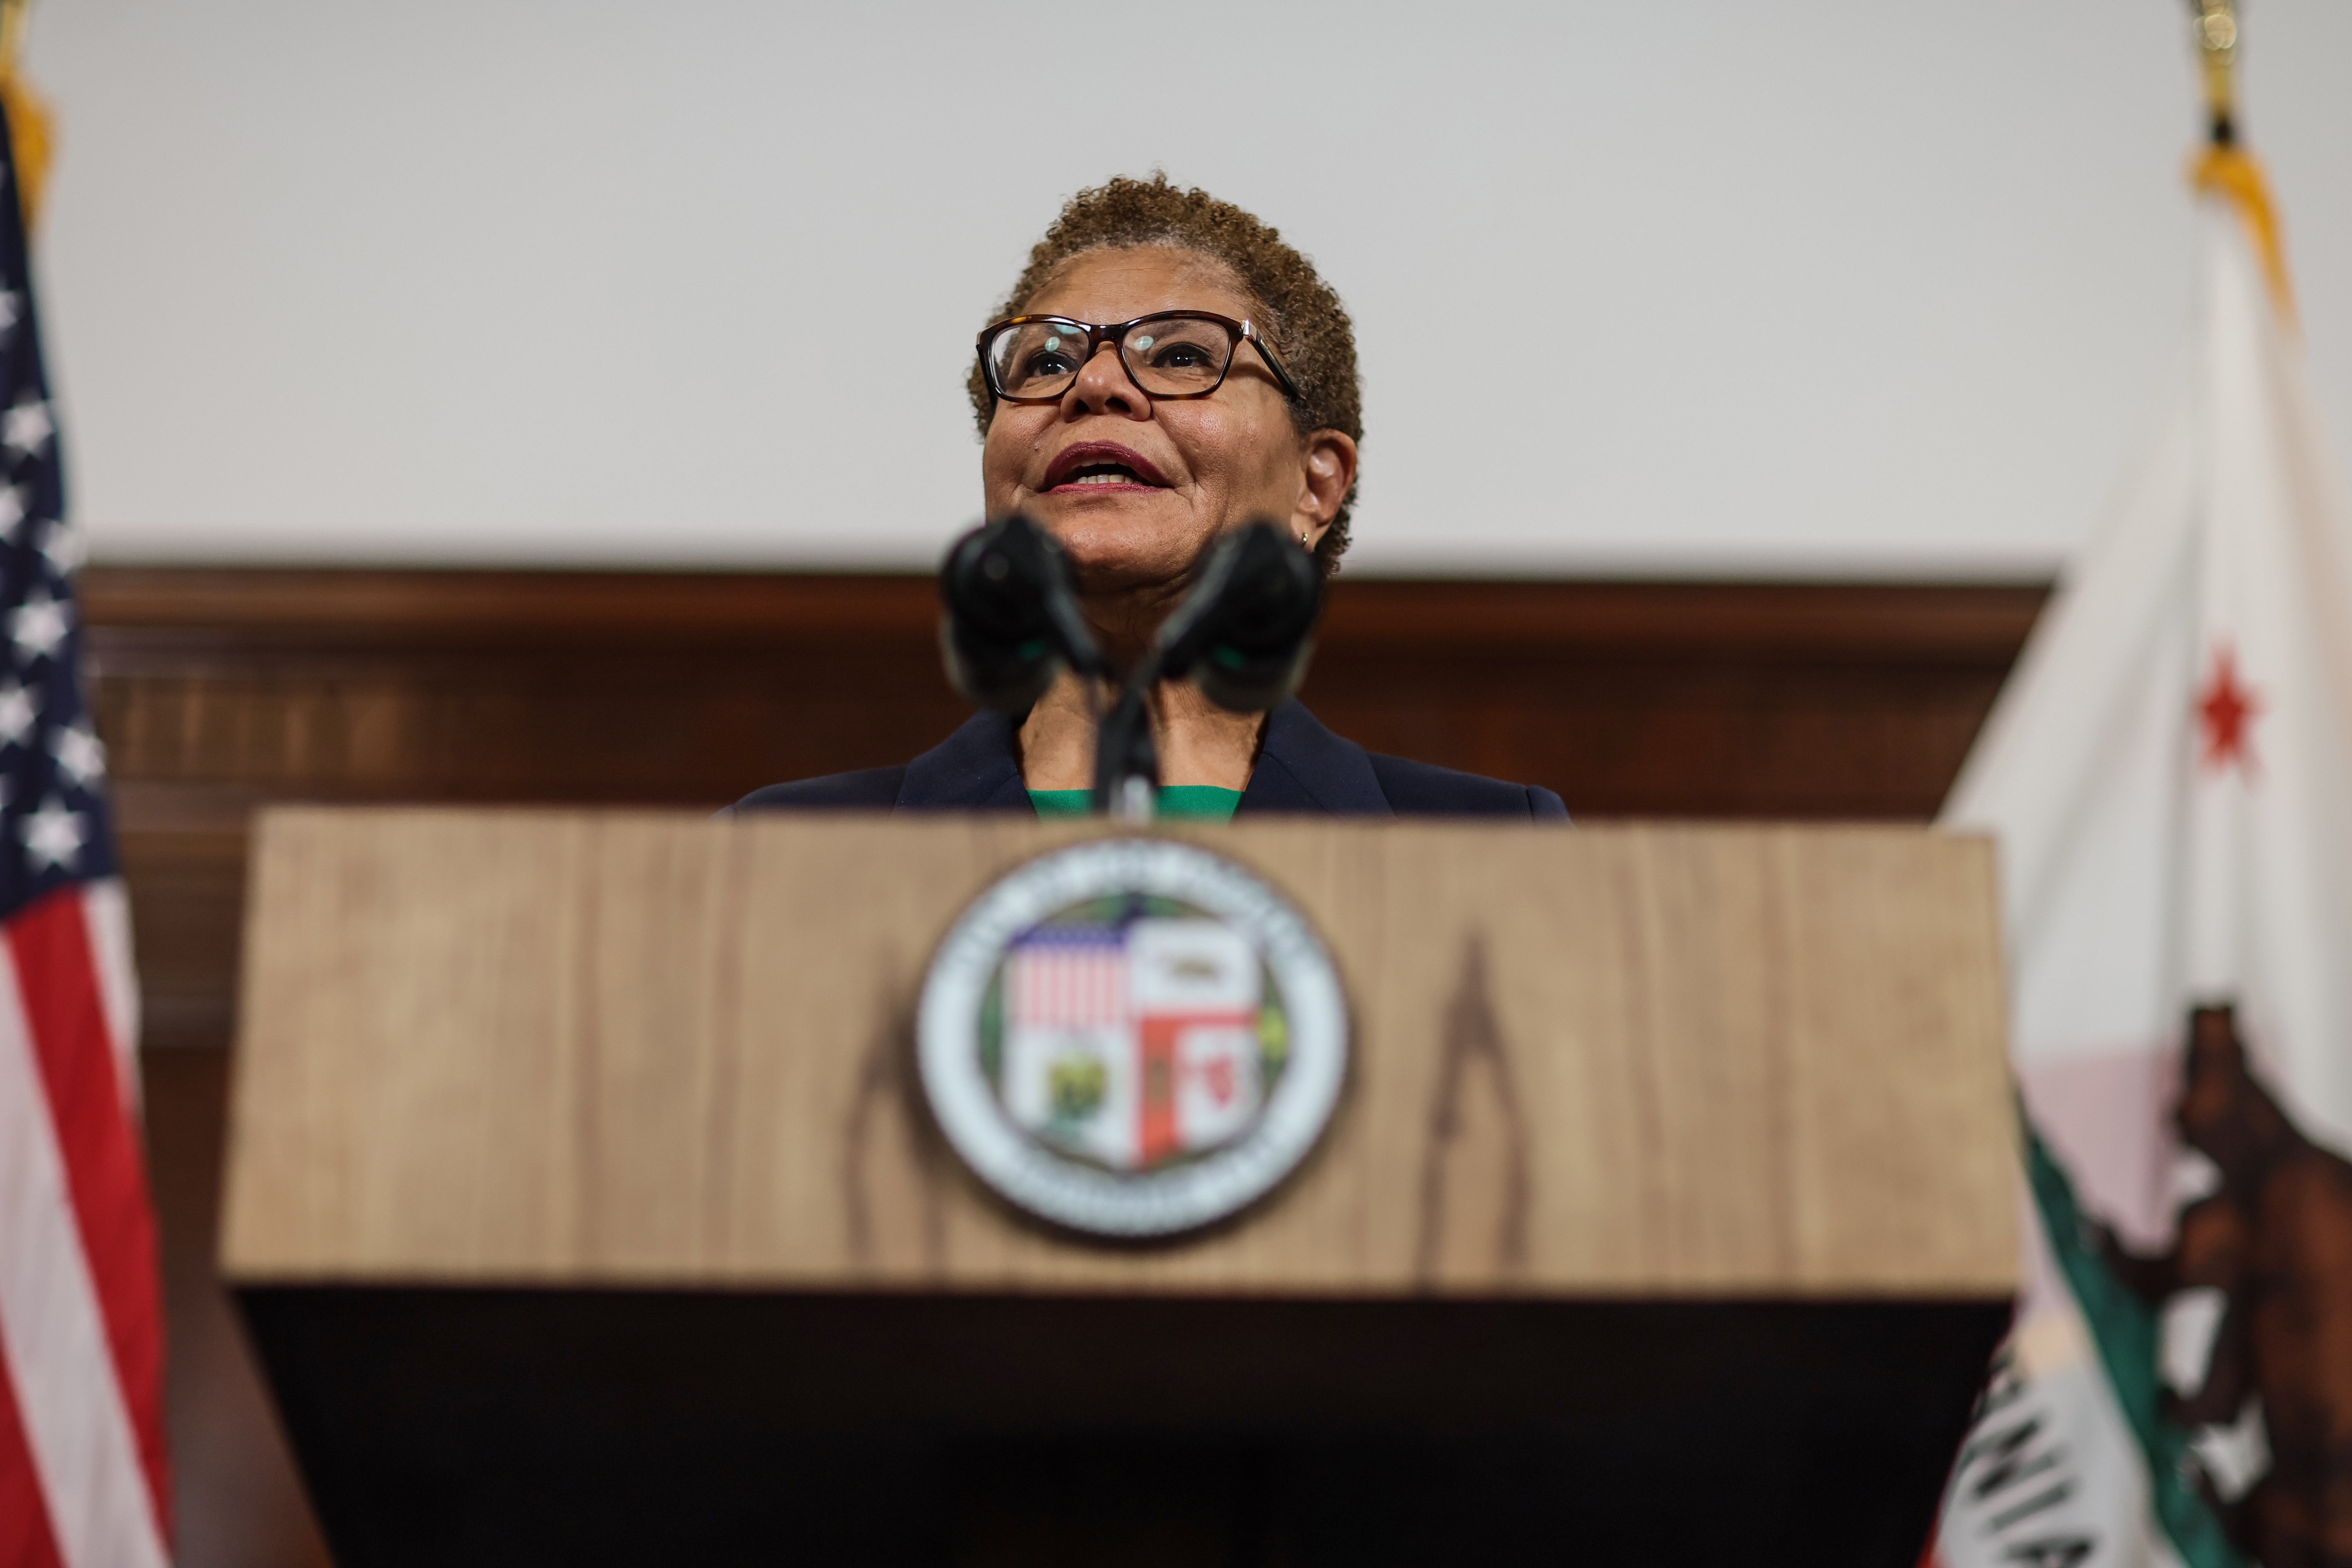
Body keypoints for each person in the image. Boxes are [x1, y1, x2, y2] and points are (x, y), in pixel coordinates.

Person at [734, 175, 1566, 821]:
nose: (1093, 384)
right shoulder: (784, 849)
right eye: (1045, 364)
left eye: (1176, 356)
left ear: (1315, 482)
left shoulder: (1487, 841)